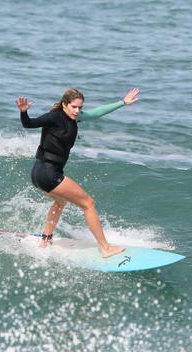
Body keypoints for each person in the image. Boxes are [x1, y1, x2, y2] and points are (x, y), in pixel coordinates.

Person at [16, 87, 140, 257]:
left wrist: (122, 102)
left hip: (40, 173)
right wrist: (24, 112)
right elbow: (29, 124)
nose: (77, 111)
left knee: (60, 202)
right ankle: (105, 248)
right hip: (48, 173)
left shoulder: (74, 117)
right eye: (74, 107)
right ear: (64, 104)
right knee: (88, 204)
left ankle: (46, 238)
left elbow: (95, 113)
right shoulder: (55, 117)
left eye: (80, 108)